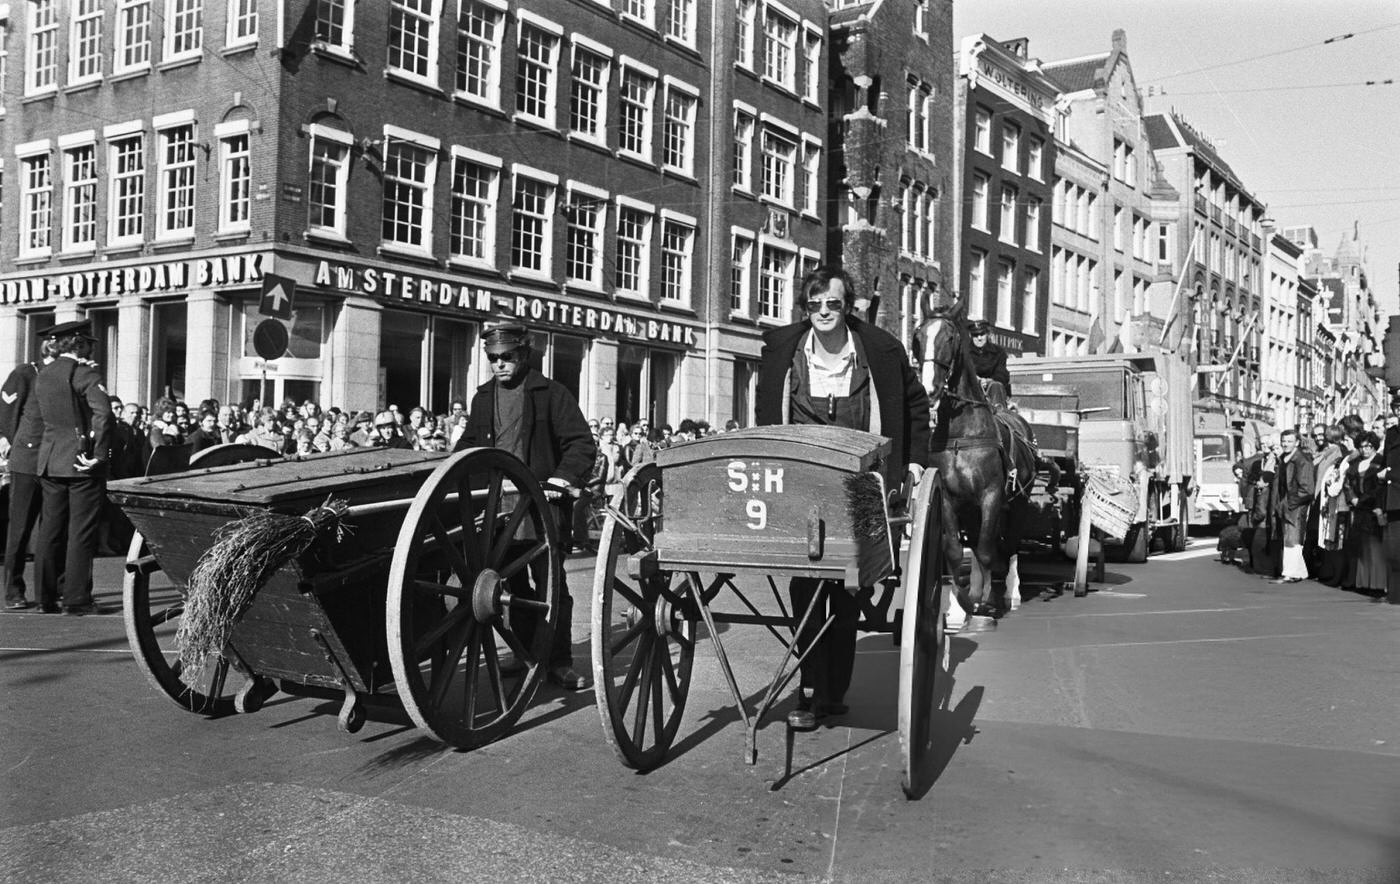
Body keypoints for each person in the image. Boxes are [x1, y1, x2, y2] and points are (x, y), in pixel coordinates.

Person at [755, 265, 930, 728]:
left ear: (847, 305)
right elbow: (764, 409)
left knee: (849, 584)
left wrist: (911, 461)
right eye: (814, 305)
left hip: (861, 483)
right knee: (805, 582)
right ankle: (810, 690)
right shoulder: (781, 350)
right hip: (799, 481)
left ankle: (834, 690)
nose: (823, 313)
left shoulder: (880, 350)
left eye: (832, 304)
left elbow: (914, 405)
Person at [455, 321, 596, 690]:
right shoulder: (483, 398)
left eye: (507, 357)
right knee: (510, 589)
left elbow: (581, 444)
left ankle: (560, 662)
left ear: (523, 354)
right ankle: (527, 653)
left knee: (552, 586)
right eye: (493, 359)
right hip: (499, 513)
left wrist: (560, 480)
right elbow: (467, 448)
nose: (499, 365)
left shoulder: (551, 393)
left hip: (540, 510)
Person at [32, 320, 112, 615]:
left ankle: (44, 597)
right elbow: (103, 414)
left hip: (51, 459)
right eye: (88, 342)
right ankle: (76, 599)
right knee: (81, 531)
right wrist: (100, 455)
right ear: (79, 343)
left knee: (50, 529)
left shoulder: (44, 373)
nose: (91, 348)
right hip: (81, 461)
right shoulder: (85, 373)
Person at [0, 333, 58, 610]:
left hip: (54, 461)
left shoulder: (62, 375)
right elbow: (7, 412)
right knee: (20, 528)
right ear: (48, 346)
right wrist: (16, 444)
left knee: (52, 528)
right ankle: (13, 590)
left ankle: (50, 589)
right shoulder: (26, 373)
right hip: (27, 460)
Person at [1344, 431, 1387, 595]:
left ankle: (1377, 585)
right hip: (1359, 510)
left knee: (1375, 548)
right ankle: (1364, 583)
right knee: (1361, 549)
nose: (1365, 449)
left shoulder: (1380, 462)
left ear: (1374, 445)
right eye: (1361, 446)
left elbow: (1380, 487)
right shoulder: (1355, 463)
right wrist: (1352, 499)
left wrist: (1362, 500)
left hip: (1375, 509)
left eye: (1368, 446)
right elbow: (1347, 485)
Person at [1269, 428, 1314, 584]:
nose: (1285, 444)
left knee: (1293, 538)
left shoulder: (1302, 460)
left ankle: (1290, 574)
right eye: (1284, 441)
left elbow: (1307, 488)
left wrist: (1290, 503)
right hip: (1286, 503)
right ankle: (1299, 572)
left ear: (1297, 442)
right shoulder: (1284, 458)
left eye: (1289, 441)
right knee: (1289, 537)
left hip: (1295, 504)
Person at [966, 318, 1012, 398]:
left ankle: (998, 409)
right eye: (975, 335)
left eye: (982, 334)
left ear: (987, 334)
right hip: (970, 391)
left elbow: (1001, 372)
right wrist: (975, 379)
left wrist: (989, 381)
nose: (979, 338)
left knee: (995, 386)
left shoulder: (998, 352)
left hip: (993, 390)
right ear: (970, 335)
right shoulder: (964, 352)